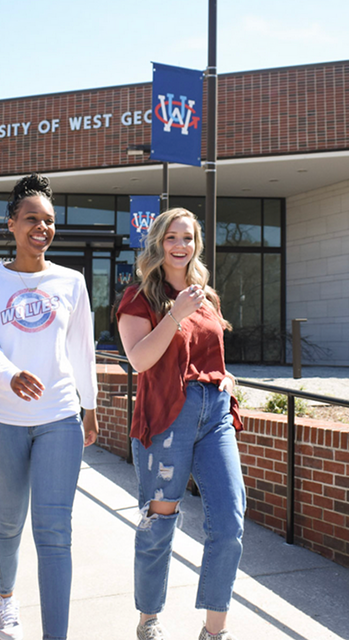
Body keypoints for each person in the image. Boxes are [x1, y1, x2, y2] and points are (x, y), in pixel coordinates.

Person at [0, 173, 99, 640]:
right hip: (3, 421)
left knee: (55, 533)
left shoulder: (71, 281)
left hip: (59, 419)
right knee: (7, 523)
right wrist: (9, 374)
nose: (41, 227)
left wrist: (90, 406)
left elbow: (83, 348)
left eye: (49, 220)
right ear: (11, 224)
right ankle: (6, 599)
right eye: (31, 219)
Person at [116, 208, 246, 640]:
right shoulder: (139, 298)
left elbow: (209, 352)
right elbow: (139, 360)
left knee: (229, 521)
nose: (180, 246)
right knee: (161, 520)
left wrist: (225, 378)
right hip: (169, 416)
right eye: (172, 238)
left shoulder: (205, 295)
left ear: (197, 245)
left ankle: (214, 631)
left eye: (188, 239)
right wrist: (175, 314)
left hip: (215, 414)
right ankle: (148, 619)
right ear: (158, 243)